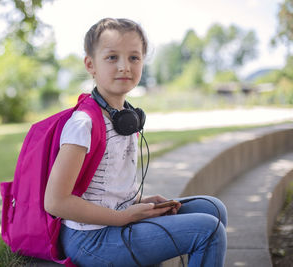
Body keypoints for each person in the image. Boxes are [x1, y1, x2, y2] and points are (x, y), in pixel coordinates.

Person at [44, 18, 227, 267]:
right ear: (90, 64)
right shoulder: (83, 124)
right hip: (89, 239)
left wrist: (141, 202)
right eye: (112, 58)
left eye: (134, 57)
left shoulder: (126, 120)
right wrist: (121, 218)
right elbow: (55, 202)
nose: (124, 67)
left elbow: (109, 186)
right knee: (209, 230)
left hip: (115, 223)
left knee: (214, 209)